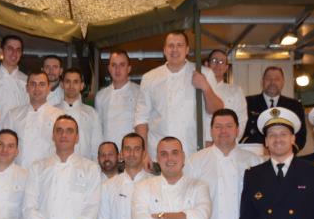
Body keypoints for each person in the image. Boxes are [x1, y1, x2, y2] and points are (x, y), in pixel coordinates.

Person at [134, 31, 223, 162]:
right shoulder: (149, 78)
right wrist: (144, 153)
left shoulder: (204, 73)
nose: (174, 49)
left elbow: (217, 110)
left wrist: (206, 87)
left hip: (194, 152)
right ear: (164, 50)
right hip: (159, 154)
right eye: (170, 45)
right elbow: (141, 118)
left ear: (187, 49)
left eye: (179, 45)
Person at [3, 71, 64, 168]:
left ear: (48, 88)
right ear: (27, 88)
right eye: (33, 84)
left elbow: (63, 148)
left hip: (47, 174)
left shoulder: (60, 116)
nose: (37, 88)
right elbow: (4, 146)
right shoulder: (13, 115)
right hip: (18, 172)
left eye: (42, 84)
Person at [241, 66, 306, 151]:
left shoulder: (294, 106)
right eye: (268, 79)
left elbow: (300, 136)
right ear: (262, 82)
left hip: (284, 156)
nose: (272, 82)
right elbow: (240, 132)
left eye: (277, 79)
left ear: (283, 82)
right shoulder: (246, 103)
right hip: (254, 154)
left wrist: (285, 152)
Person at [56, 68, 102, 160]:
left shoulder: (91, 113)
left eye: (75, 82)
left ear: (82, 85)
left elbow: (97, 145)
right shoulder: (53, 111)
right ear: (62, 84)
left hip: (85, 167)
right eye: (68, 81)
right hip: (58, 167)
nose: (71, 86)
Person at [95, 50, 140, 145]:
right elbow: (98, 129)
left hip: (131, 151)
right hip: (108, 152)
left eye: (122, 65)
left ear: (129, 68)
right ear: (109, 68)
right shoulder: (101, 96)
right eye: (114, 65)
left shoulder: (139, 93)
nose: (117, 69)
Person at [203, 50, 247, 141]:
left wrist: (230, 143)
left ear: (226, 67)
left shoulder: (235, 91)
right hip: (200, 144)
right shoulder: (197, 89)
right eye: (214, 61)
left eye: (222, 62)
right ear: (206, 64)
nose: (218, 65)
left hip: (225, 144)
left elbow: (241, 120)